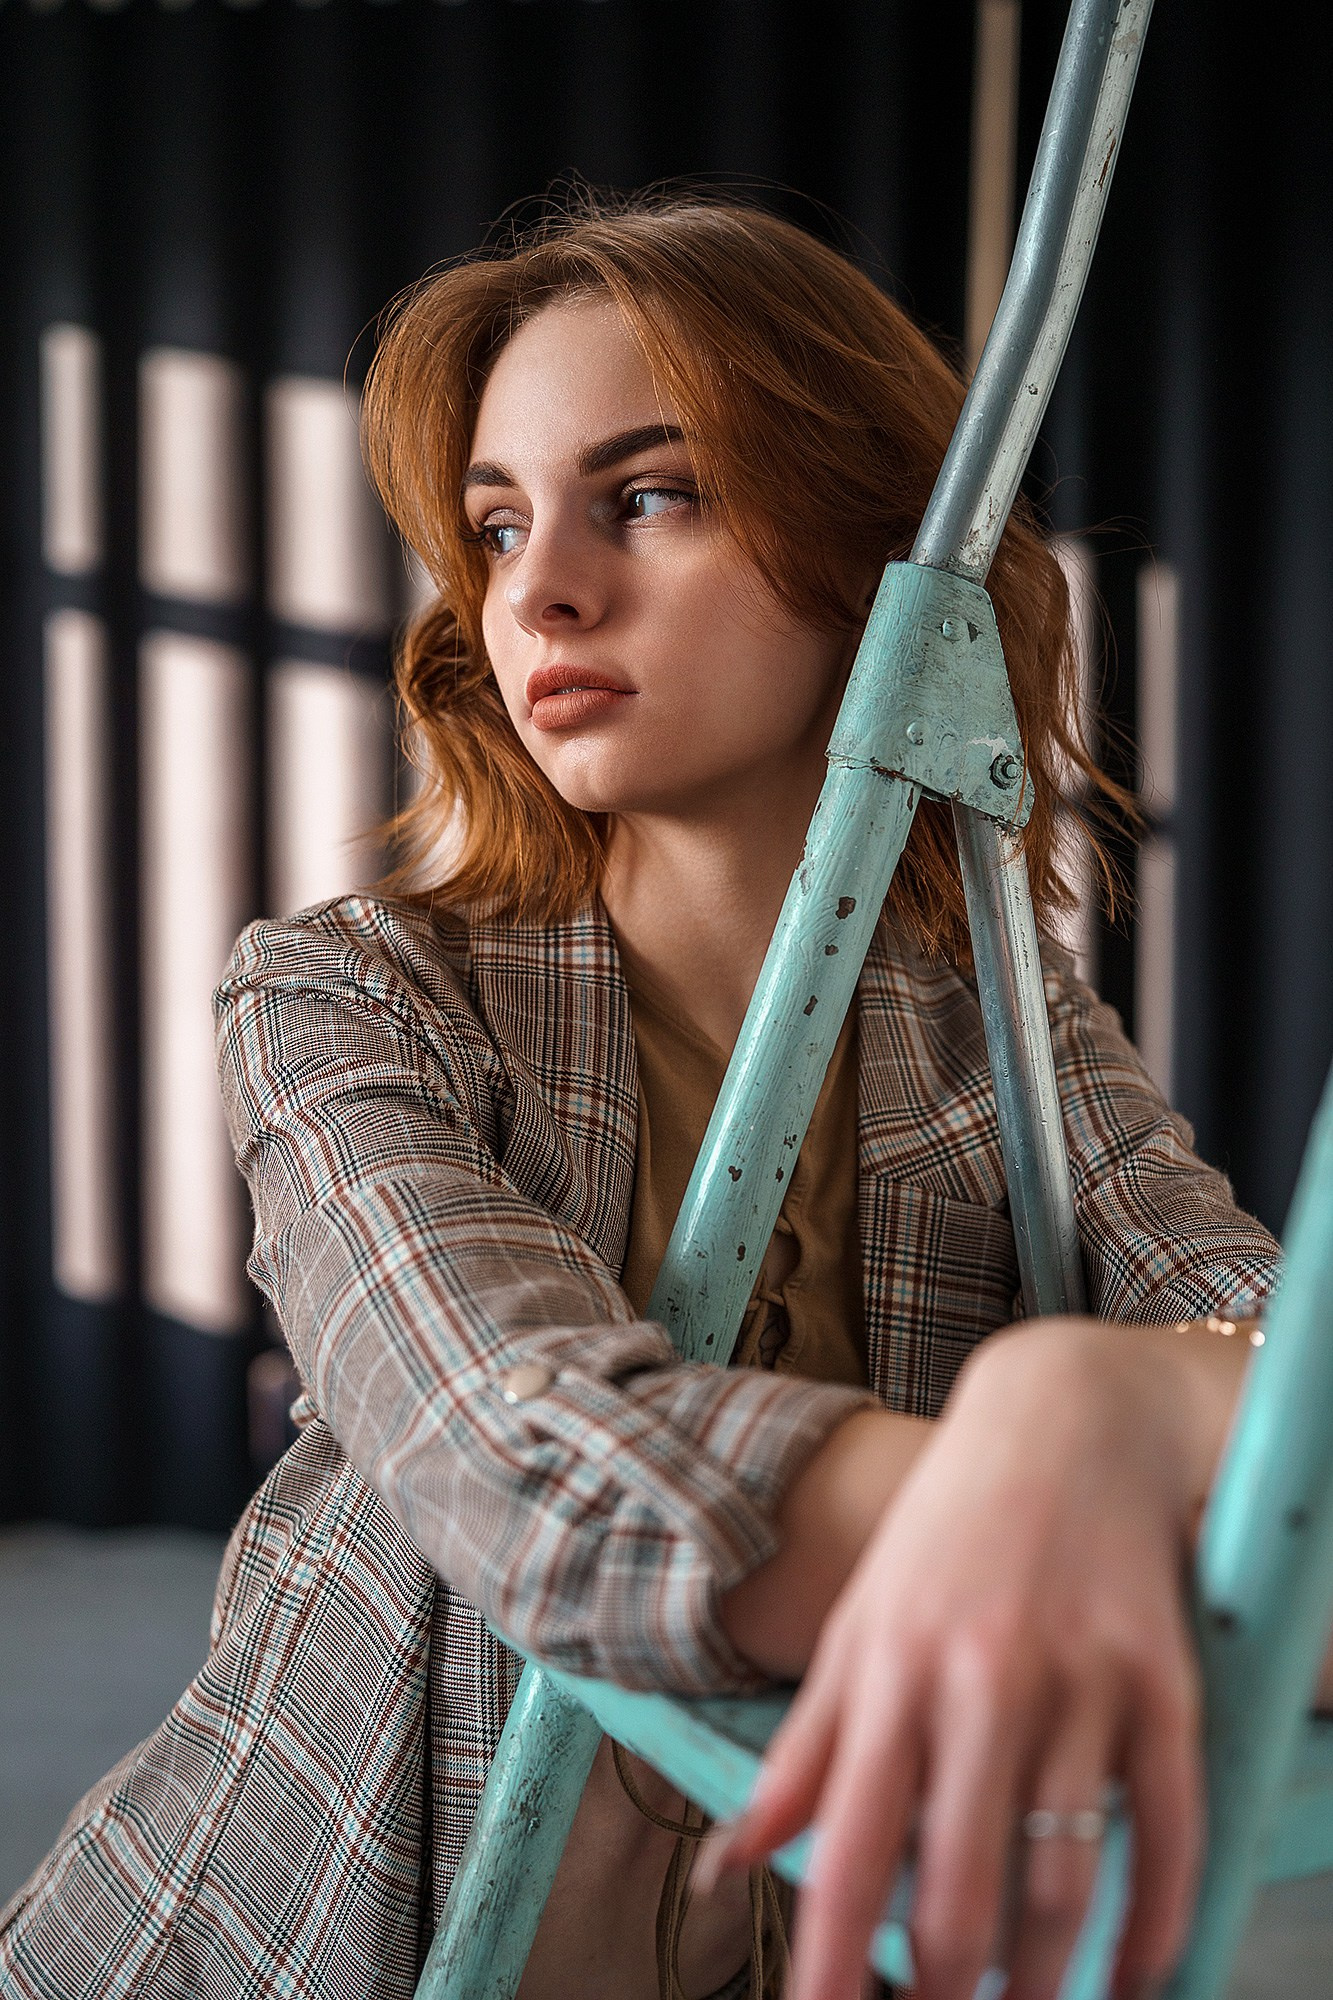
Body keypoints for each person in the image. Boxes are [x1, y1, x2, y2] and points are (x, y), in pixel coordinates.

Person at [0, 192, 1312, 2000]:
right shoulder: (345, 996)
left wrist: (1094, 1399)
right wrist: (1044, 1486)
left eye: (649, 496)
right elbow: (514, 1454)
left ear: (875, 553)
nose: (536, 589)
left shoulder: (1017, 1046)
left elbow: (1290, 1379)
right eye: (497, 524)